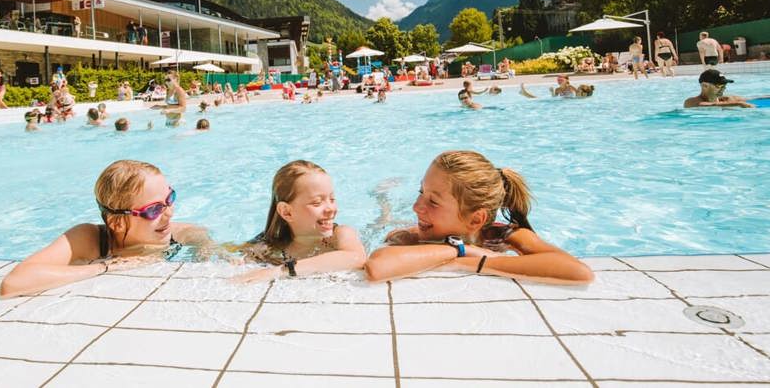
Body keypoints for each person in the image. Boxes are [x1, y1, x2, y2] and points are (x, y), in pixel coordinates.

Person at [364, 150, 593, 284]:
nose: (416, 207)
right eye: (421, 192)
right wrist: (459, 249)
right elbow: (378, 267)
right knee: (385, 222)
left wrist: (477, 261)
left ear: (476, 220)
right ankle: (382, 202)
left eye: (432, 201)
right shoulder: (412, 237)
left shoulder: (503, 235)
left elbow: (579, 271)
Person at [0, 160, 211, 297]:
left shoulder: (179, 235)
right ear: (117, 222)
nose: (169, 213)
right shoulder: (89, 240)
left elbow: (204, 241)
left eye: (170, 198)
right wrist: (107, 267)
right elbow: (13, 283)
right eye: (154, 210)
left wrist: (206, 254)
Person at [235, 160, 366, 282]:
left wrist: (280, 271)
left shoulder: (340, 235)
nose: (331, 209)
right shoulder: (268, 248)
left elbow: (356, 258)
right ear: (287, 212)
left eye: (332, 199)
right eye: (317, 202)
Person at [683, 69, 758, 108]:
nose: (723, 89)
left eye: (724, 85)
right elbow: (706, 105)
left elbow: (757, 99)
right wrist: (738, 104)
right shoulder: (690, 102)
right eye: (719, 86)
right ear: (705, 86)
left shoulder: (728, 99)